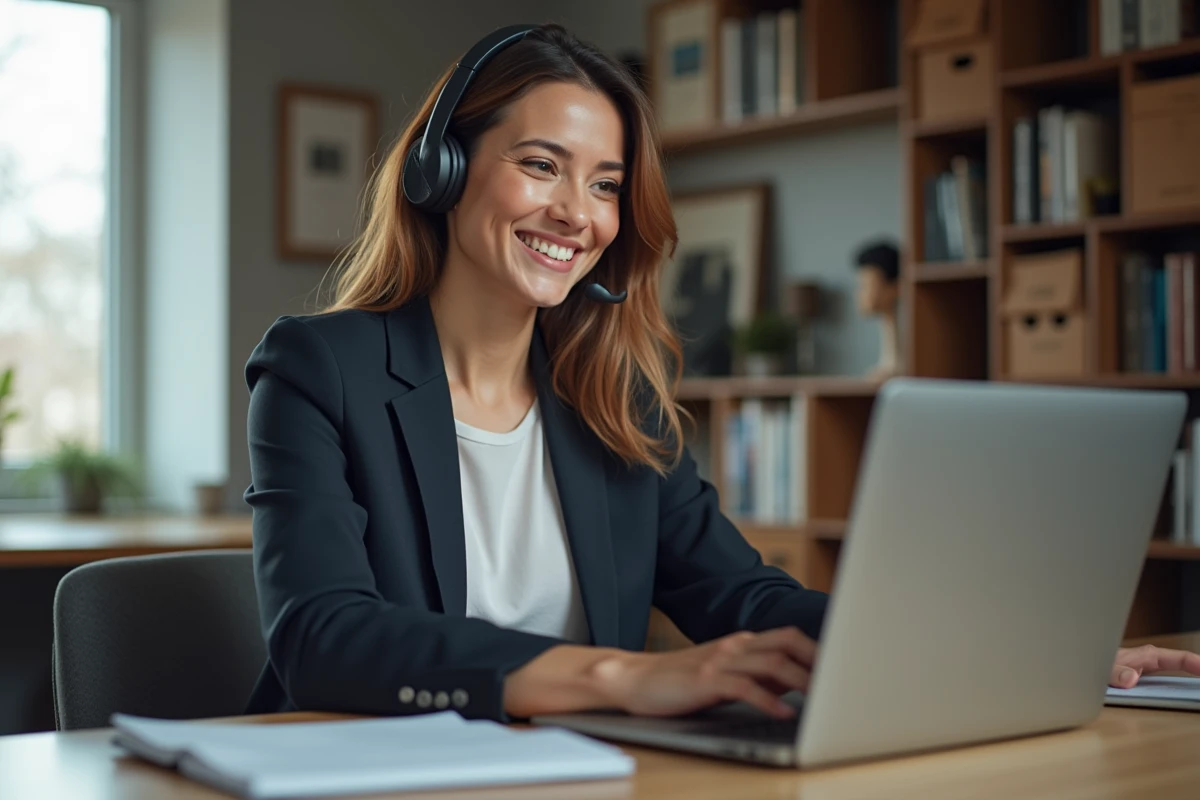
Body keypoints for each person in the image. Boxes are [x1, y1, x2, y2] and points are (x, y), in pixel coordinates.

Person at [243, 23, 1200, 725]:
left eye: (607, 184)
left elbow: (748, 601)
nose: (578, 213)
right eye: (543, 165)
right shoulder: (318, 369)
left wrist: (1025, 656)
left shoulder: (612, 402)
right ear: (443, 172)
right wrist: (622, 677)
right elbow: (323, 637)